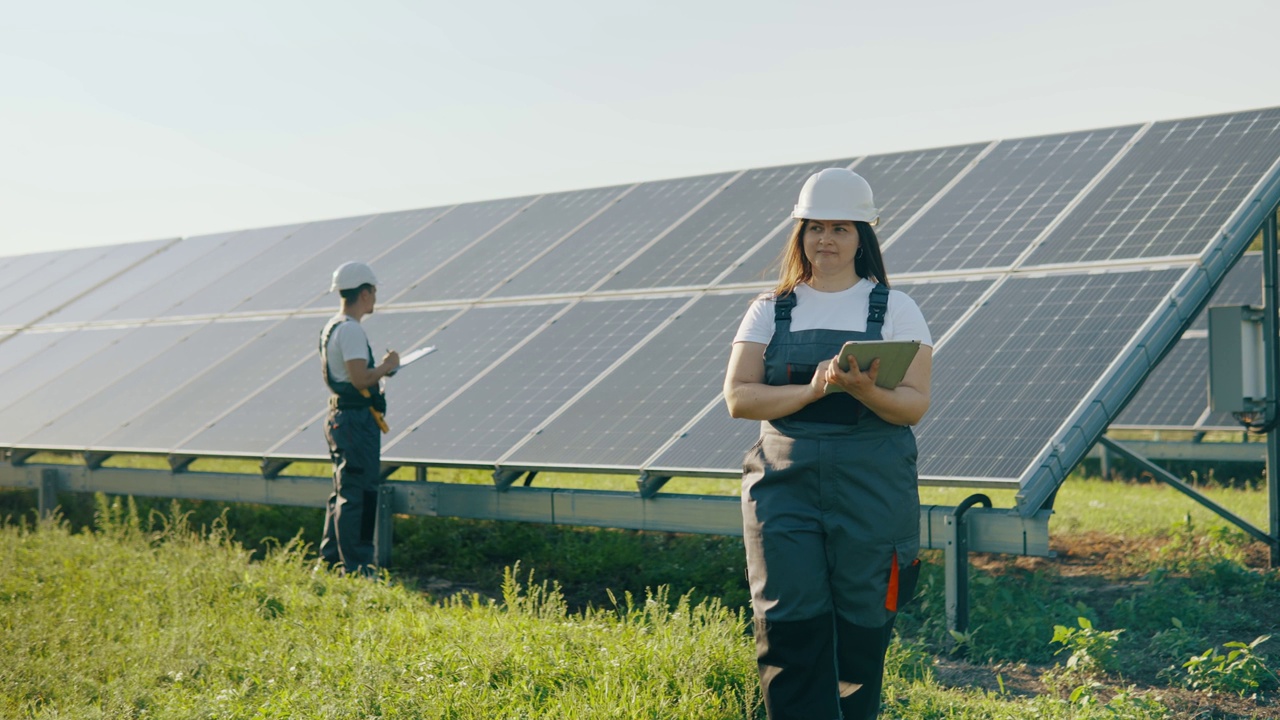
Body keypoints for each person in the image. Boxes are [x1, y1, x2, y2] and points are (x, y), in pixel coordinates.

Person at [723, 168, 933, 720]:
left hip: (871, 484)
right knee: (788, 620)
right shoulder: (770, 308)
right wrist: (812, 389)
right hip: (783, 484)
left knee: (863, 621)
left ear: (863, 236)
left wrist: (865, 391)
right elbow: (739, 398)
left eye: (841, 227)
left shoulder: (896, 309)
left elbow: (913, 404)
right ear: (800, 234)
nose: (826, 239)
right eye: (815, 227)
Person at [319, 261, 399, 576]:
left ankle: (330, 561)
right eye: (374, 291)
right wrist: (387, 366)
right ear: (364, 293)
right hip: (354, 422)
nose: (375, 298)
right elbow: (359, 379)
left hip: (343, 418)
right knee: (359, 494)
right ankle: (358, 568)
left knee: (343, 491)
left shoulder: (332, 326)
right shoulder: (350, 329)